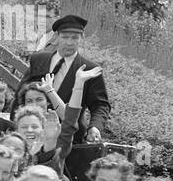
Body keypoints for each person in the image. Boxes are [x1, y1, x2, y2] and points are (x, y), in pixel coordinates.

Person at [17, 15, 110, 143]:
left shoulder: (90, 70)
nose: (69, 42)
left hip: (68, 137)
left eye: (74, 38)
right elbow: (21, 92)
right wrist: (15, 124)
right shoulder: (39, 59)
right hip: (32, 131)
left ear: (81, 38)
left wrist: (95, 127)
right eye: (65, 37)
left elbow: (100, 104)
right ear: (56, 37)